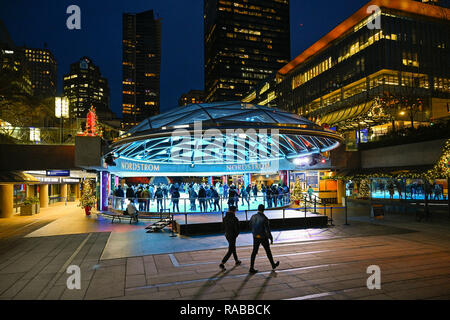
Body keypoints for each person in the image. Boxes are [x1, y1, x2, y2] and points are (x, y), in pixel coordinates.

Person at [248, 204, 279, 273]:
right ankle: (273, 265)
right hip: (263, 237)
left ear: (258, 209)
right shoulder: (264, 218)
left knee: (254, 252)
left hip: (255, 236)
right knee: (268, 251)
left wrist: (254, 233)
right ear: (263, 210)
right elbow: (267, 229)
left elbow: (250, 225)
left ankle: (251, 267)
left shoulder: (253, 216)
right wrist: (270, 237)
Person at [219, 206, 241, 270]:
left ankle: (236, 260)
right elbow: (237, 229)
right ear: (234, 211)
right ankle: (222, 263)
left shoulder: (225, 218)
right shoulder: (235, 219)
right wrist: (236, 235)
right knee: (231, 250)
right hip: (233, 235)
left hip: (227, 235)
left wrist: (225, 233)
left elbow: (222, 227)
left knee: (233, 247)